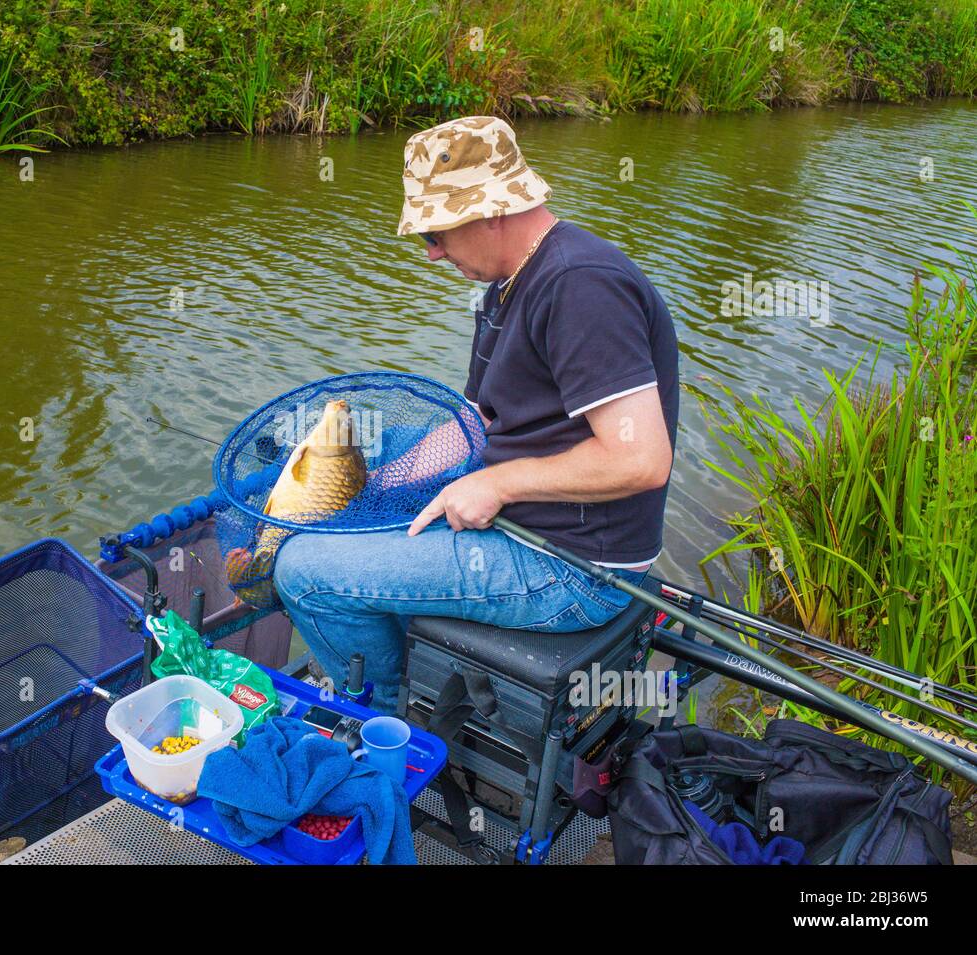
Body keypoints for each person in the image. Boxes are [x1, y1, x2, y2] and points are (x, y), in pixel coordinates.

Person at [273, 116, 679, 714]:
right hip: (539, 524)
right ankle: (390, 638)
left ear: (492, 210)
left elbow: (642, 461)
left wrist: (498, 481)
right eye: (424, 239)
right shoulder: (507, 282)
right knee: (374, 449)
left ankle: (385, 719)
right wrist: (380, 488)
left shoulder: (579, 285)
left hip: (572, 566)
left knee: (302, 570)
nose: (433, 253)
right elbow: (478, 418)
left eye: (437, 233)